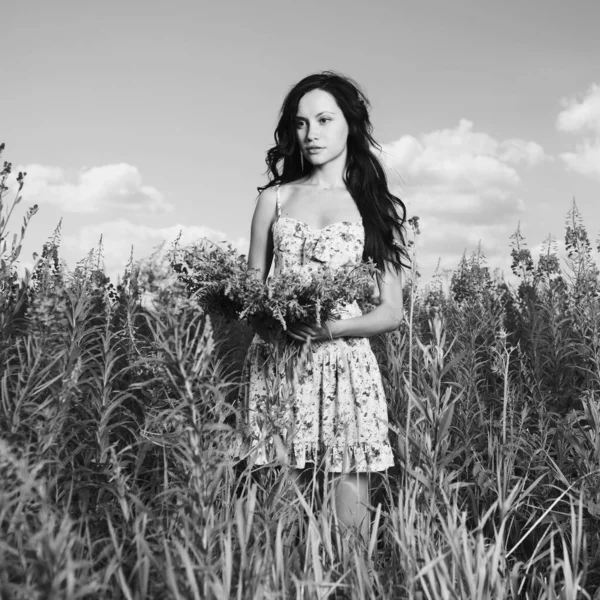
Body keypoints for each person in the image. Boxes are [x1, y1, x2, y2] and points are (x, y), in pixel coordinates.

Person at [242, 71, 408, 543]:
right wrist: (273, 317)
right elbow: (252, 292)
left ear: (349, 125)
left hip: (346, 371)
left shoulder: (373, 207)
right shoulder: (273, 199)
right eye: (300, 123)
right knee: (278, 528)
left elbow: (391, 311)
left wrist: (330, 328)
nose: (311, 134)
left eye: (323, 119)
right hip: (278, 365)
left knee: (350, 533)